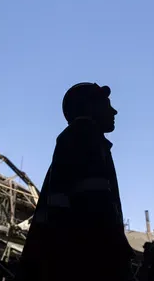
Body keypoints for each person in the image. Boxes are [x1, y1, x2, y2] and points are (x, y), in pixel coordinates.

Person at [16, 82, 134, 281]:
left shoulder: (77, 139)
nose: (114, 111)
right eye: (106, 105)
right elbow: (95, 207)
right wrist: (116, 258)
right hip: (82, 261)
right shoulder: (85, 136)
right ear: (88, 107)